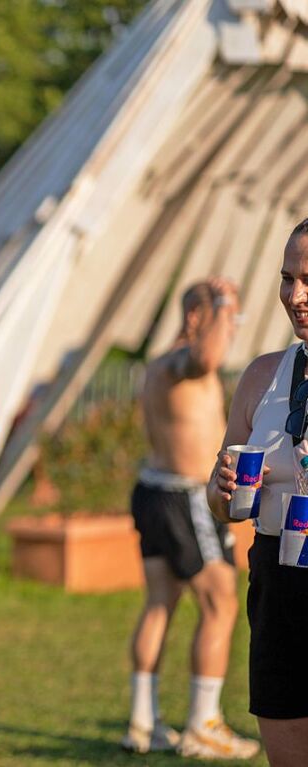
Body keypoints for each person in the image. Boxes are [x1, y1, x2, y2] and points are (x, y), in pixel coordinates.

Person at [122, 278, 259, 759]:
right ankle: (203, 725)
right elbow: (205, 358)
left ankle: (143, 723)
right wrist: (222, 302)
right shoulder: (184, 363)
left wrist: (223, 310)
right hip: (185, 500)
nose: (233, 329)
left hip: (153, 491)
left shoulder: (158, 365)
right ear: (198, 318)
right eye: (227, 319)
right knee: (221, 605)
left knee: (160, 603)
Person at [209, 219, 308, 767]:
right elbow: (219, 504)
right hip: (276, 578)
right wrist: (221, 488)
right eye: (287, 278)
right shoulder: (262, 375)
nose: (296, 296)